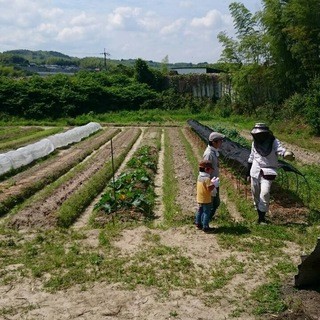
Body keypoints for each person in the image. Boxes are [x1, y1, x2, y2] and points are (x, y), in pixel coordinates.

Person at [246, 123, 295, 224]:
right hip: (255, 170)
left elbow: (280, 149)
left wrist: (285, 154)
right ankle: (259, 212)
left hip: (268, 170)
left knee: (265, 193)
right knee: (255, 192)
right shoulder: (254, 143)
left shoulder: (274, 141)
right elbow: (251, 157)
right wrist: (247, 173)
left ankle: (261, 218)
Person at [202, 131, 225, 221]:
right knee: (210, 203)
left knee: (215, 203)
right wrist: (209, 184)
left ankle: (206, 220)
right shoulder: (209, 154)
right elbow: (205, 170)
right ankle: (205, 221)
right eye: (220, 141)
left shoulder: (214, 152)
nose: (221, 143)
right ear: (214, 142)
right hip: (211, 182)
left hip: (214, 182)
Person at [195, 160, 219, 232]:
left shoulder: (199, 177)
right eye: (211, 170)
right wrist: (214, 184)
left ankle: (198, 223)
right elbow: (209, 188)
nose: (211, 172)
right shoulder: (207, 179)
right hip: (206, 198)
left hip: (200, 198)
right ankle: (205, 226)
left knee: (200, 210)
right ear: (206, 169)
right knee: (206, 212)